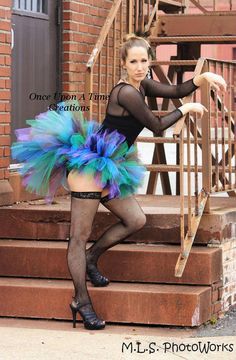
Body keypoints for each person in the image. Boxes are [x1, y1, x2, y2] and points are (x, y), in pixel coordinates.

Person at [11, 34, 226, 331]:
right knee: (78, 235)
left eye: (144, 61)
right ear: (124, 65)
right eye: (133, 62)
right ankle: (81, 301)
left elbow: (176, 88)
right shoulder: (126, 92)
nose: (139, 67)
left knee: (135, 218)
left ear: (149, 61)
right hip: (90, 166)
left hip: (112, 166)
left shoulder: (143, 83)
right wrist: (187, 109)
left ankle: (92, 257)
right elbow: (157, 125)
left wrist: (204, 77)